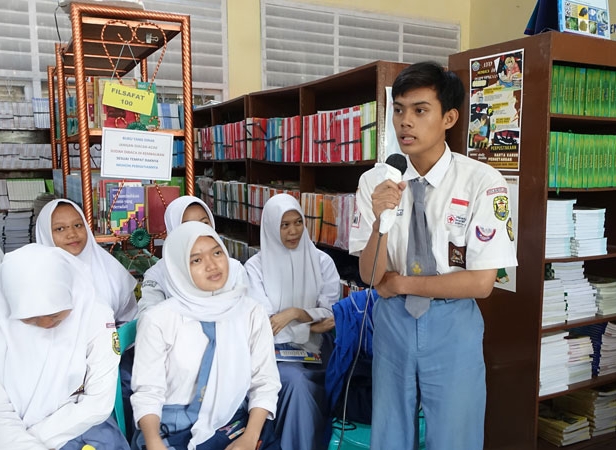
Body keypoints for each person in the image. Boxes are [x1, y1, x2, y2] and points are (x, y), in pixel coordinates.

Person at [349, 61, 518, 449]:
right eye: (398, 110)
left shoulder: (481, 181)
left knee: (455, 436)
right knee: (390, 433)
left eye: (420, 110)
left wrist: (401, 284)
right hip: (392, 322)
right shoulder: (375, 181)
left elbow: (480, 283)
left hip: (452, 323)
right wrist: (380, 222)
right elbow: (370, 276)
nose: (405, 121)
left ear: (449, 118)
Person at [130, 221, 281, 450]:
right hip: (172, 428)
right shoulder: (159, 320)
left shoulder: (251, 312)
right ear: (179, 268)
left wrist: (250, 438)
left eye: (217, 253)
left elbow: (265, 382)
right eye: (196, 260)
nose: (212, 265)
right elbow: (148, 392)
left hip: (233, 421)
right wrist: (154, 443)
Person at [0, 244, 130, 450]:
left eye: (54, 314)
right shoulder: (4, 323)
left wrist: (34, 438)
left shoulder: (94, 314)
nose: (45, 324)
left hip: (80, 425)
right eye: (30, 318)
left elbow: (98, 402)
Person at [244, 193, 341, 450]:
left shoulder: (322, 262)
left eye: (298, 222)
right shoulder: (254, 268)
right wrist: (311, 325)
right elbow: (266, 325)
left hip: (320, 348)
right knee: (298, 384)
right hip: (273, 354)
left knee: (339, 377)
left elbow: (330, 314)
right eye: (284, 225)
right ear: (270, 227)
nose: (293, 231)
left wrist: (295, 313)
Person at [35, 199, 137, 324]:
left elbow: (129, 318)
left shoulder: (111, 270)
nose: (72, 234)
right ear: (45, 234)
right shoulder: (36, 279)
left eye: (78, 225)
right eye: (60, 229)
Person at [138, 195, 241, 316]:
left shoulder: (234, 268)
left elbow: (247, 313)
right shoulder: (158, 274)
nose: (198, 231)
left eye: (204, 223)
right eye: (187, 225)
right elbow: (148, 315)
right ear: (173, 231)